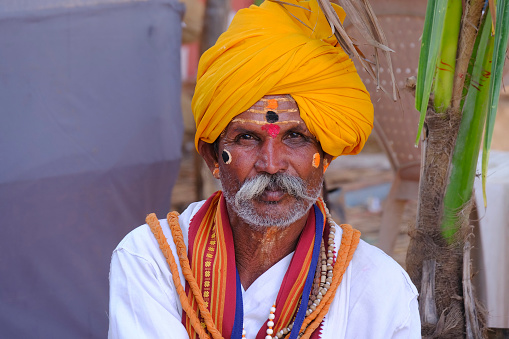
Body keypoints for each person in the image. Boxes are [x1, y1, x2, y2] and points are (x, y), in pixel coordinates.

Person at [108, 0, 420, 338]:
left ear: (326, 155)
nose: (271, 164)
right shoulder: (152, 262)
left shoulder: (377, 288)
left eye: (296, 137)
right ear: (213, 156)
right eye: (246, 138)